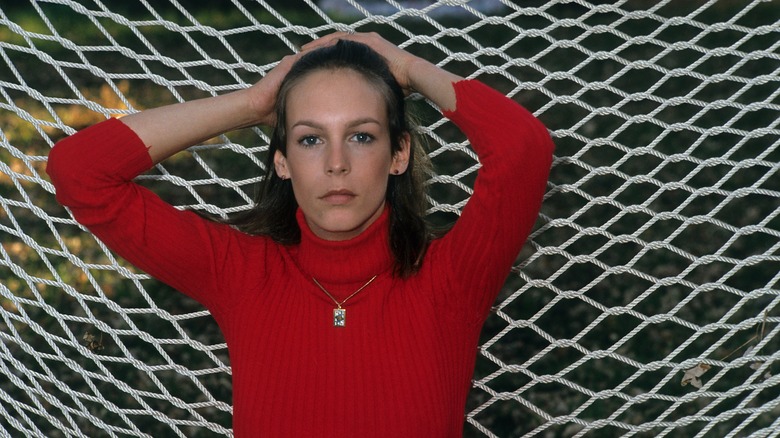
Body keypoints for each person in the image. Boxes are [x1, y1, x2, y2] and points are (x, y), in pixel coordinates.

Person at [47, 32, 554, 437]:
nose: (336, 164)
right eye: (310, 139)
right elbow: (80, 172)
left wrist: (407, 68)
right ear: (282, 162)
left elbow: (523, 149)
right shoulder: (242, 274)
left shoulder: (451, 280)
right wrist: (253, 103)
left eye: (361, 136)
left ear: (399, 153)